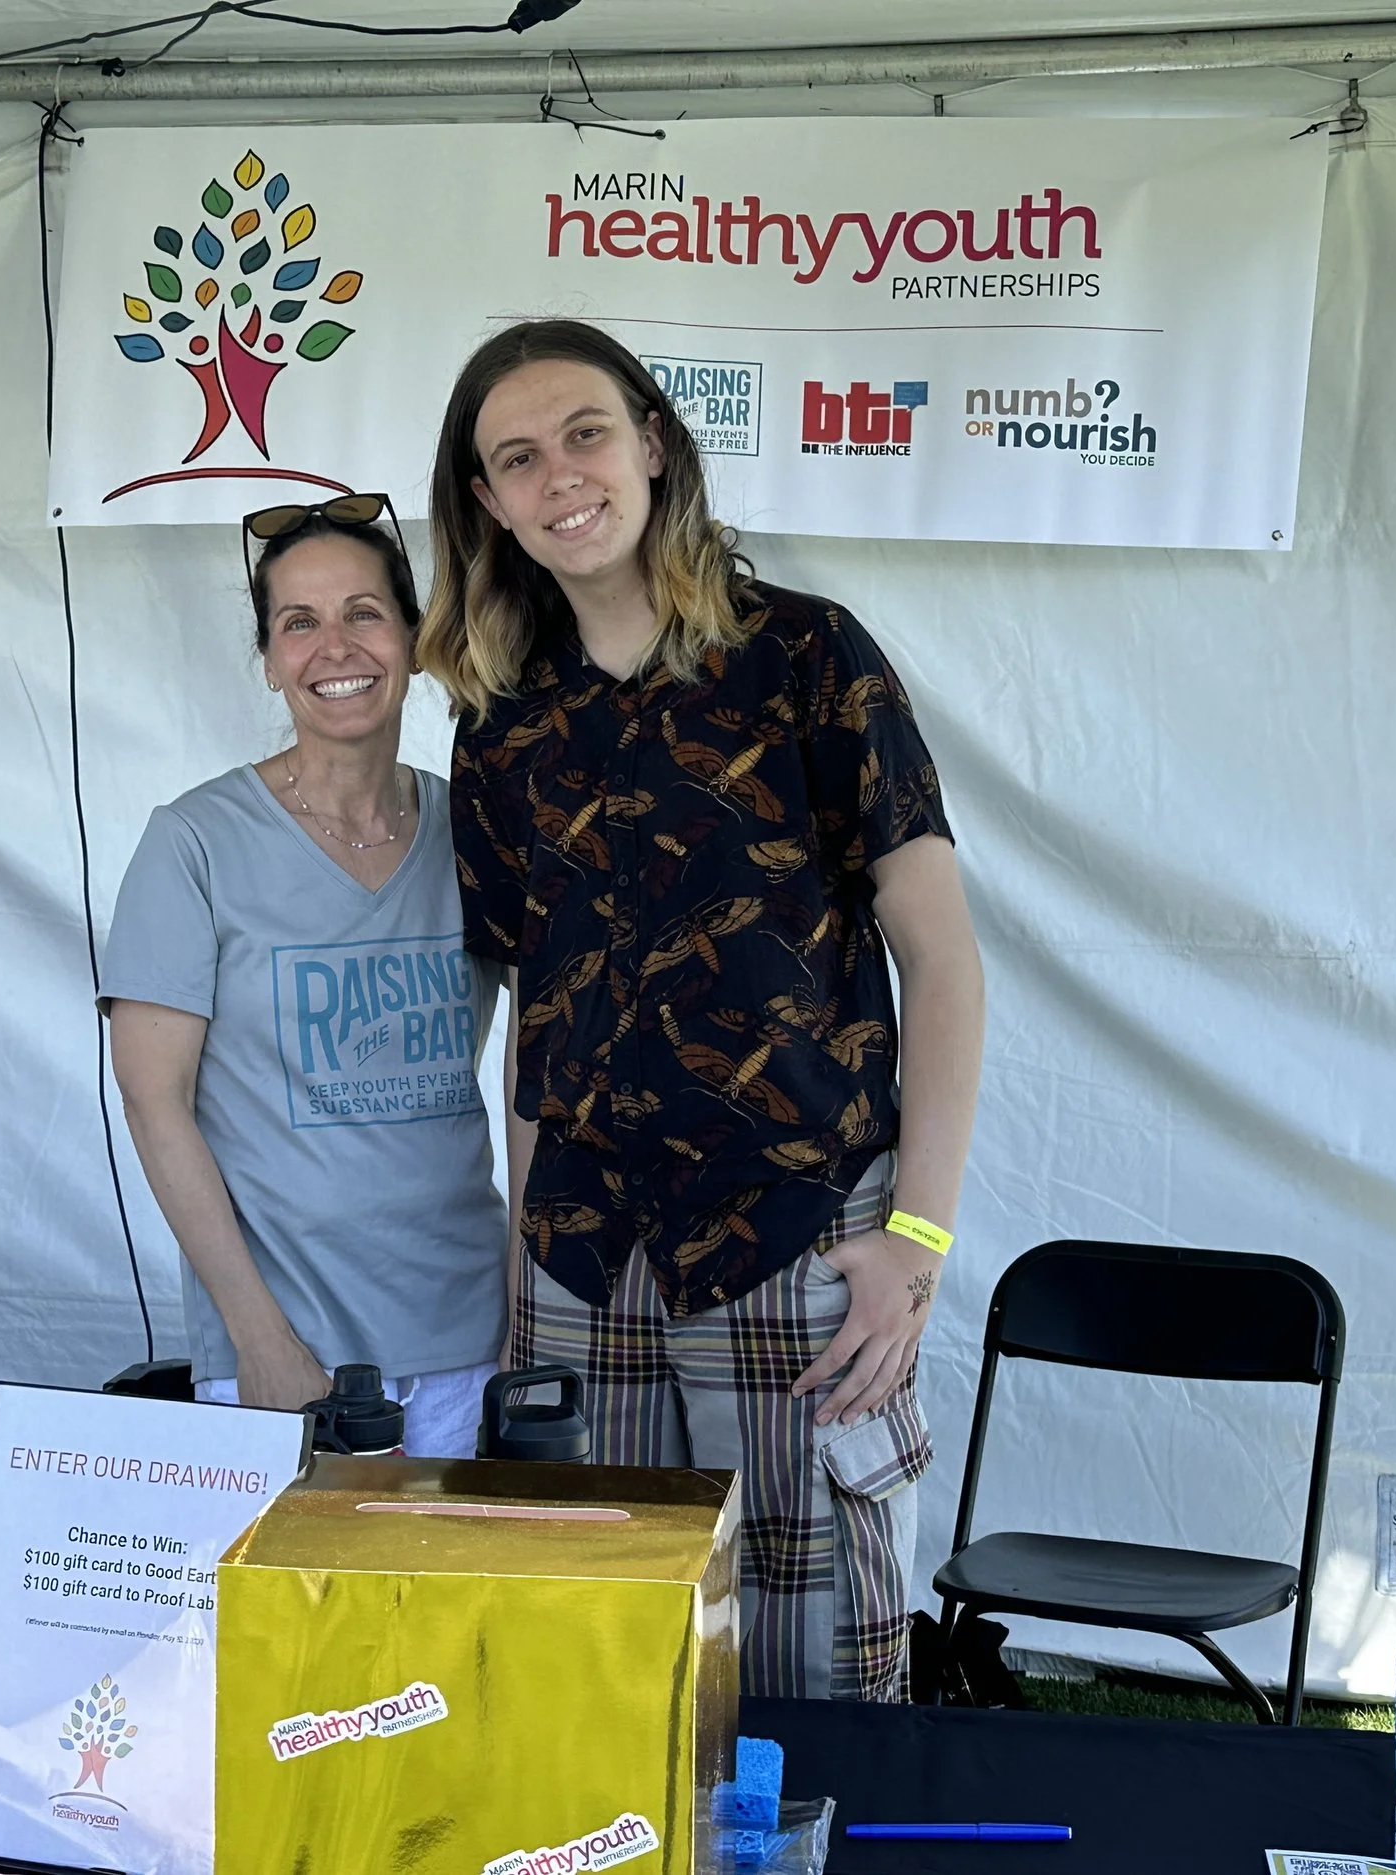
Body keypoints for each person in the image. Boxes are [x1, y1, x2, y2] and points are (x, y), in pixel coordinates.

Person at [419, 321, 986, 1699]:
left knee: (813, 1681)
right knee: (594, 1670)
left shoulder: (806, 654)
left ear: (655, 442)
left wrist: (915, 1236)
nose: (561, 473)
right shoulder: (501, 725)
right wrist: (518, 1273)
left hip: (796, 1244)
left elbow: (946, 958)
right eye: (517, 456)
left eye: (586, 431)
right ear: (487, 501)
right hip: (584, 1263)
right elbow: (528, 1020)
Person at [100, 495, 507, 1456]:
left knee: (448, 1608)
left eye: (364, 612)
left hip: (467, 1332)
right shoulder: (195, 841)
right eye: (300, 622)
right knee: (302, 1612)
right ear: (271, 658)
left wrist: (523, 1311)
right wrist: (259, 1338)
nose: (336, 647)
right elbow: (156, 1106)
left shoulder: (478, 832)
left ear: (412, 636)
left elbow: (502, 1076)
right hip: (285, 1348)